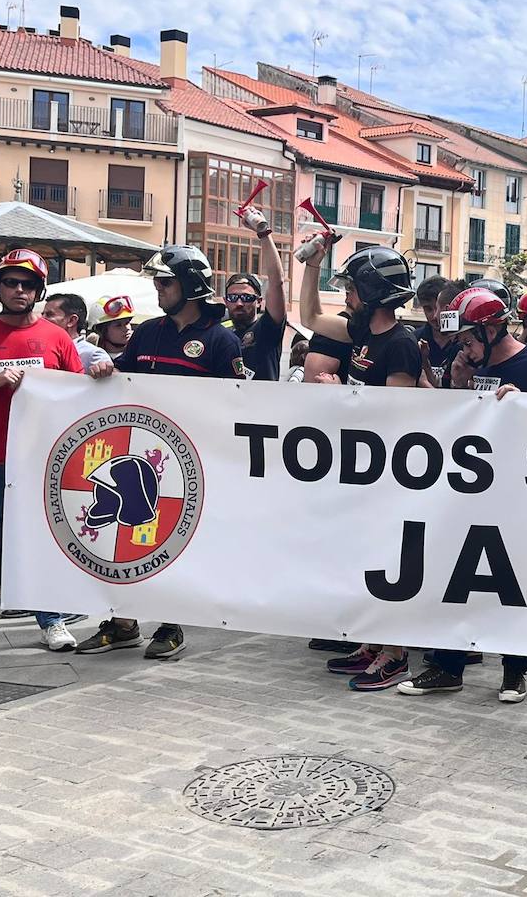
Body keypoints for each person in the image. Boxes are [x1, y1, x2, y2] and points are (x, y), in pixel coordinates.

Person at [400, 286, 527, 703]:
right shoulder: (464, 365)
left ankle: (514, 671)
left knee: (514, 583)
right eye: (461, 340)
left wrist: (525, 405)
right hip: (471, 490)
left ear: (494, 329)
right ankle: (446, 665)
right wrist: (459, 388)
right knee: (454, 578)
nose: (464, 346)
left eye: (470, 338)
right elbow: (454, 426)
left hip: (522, 493)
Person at [77, 245, 245, 661]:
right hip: (141, 456)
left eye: (166, 281)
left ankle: (171, 625)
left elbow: (237, 404)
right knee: (127, 538)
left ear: (190, 284)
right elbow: (124, 384)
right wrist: (106, 372)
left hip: (190, 462)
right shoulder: (148, 332)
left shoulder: (221, 341)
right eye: (157, 280)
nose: (158, 286)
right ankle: (122, 624)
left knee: (172, 543)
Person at [301, 237, 423, 689]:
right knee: (363, 557)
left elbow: (394, 413)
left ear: (372, 292)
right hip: (362, 467)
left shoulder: (402, 344)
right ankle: (374, 642)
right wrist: (313, 265)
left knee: (387, 560)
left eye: (352, 287)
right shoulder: (360, 333)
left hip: (388, 473)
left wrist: (342, 399)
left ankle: (396, 654)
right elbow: (310, 317)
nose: (347, 294)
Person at [0, 249, 88, 655]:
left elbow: (79, 392)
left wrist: (102, 372)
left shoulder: (57, 337)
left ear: (38, 291)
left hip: (39, 458)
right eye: (10, 282)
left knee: (42, 537)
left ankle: (52, 619)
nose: (18, 290)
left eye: (27, 284)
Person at [221, 206, 286, 381]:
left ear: (259, 301)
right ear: (225, 301)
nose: (240, 303)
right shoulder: (220, 330)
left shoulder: (267, 328)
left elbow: (277, 281)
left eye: (247, 297)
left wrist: (263, 233)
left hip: (261, 405)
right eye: (233, 298)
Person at [41, 292, 112, 373]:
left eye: (49, 315)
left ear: (72, 320)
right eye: (42, 314)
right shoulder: (43, 348)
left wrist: (103, 370)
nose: (42, 319)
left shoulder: (94, 355)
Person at [414, 275, 459, 385]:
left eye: (439, 307)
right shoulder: (413, 340)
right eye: (428, 309)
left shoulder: (467, 343)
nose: (435, 315)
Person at [87, 295, 136, 360]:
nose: (127, 328)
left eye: (127, 323)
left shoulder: (139, 354)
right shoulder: (90, 356)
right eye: (118, 325)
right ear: (101, 330)